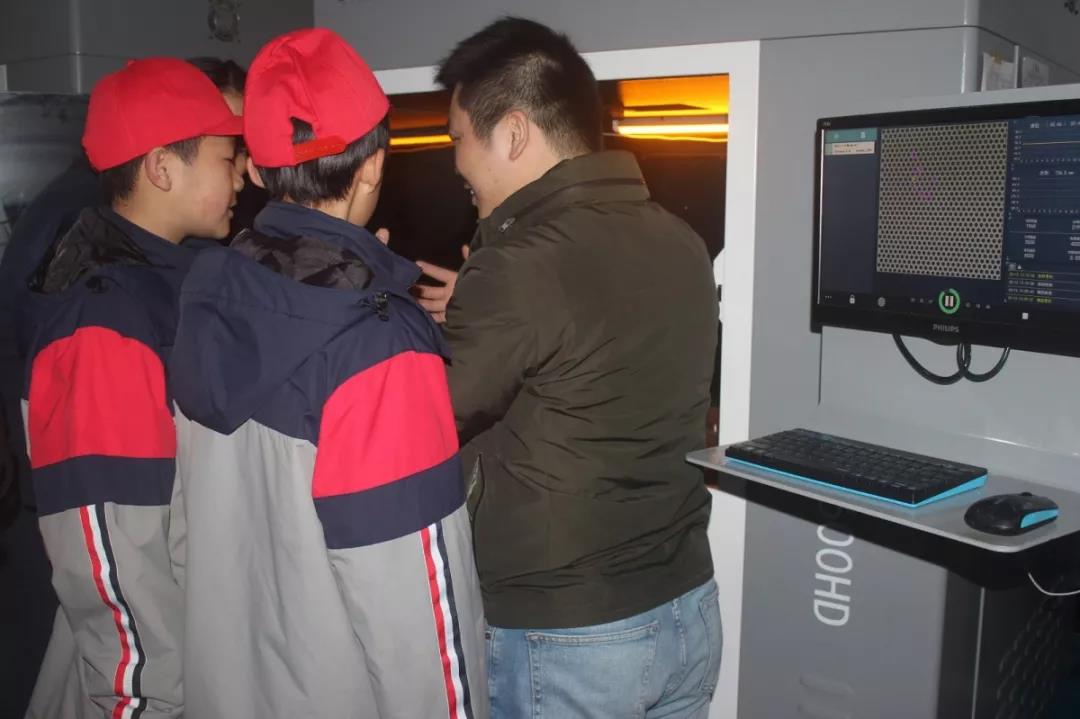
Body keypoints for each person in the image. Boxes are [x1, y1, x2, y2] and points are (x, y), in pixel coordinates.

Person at [169, 28, 487, 719]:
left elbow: (183, 539)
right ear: (373, 166)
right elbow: (417, 616)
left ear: (258, 170)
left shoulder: (205, 297)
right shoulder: (377, 345)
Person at [417, 17, 722, 718]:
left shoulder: (518, 267)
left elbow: (429, 420)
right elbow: (590, 346)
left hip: (569, 632)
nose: (456, 163)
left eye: (459, 138)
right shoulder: (681, 241)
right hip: (686, 609)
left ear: (513, 133)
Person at [18, 58, 243, 718]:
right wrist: (147, 697)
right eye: (226, 158)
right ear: (162, 168)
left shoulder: (179, 282)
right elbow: (108, 549)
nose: (242, 175)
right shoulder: (103, 320)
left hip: (198, 648)